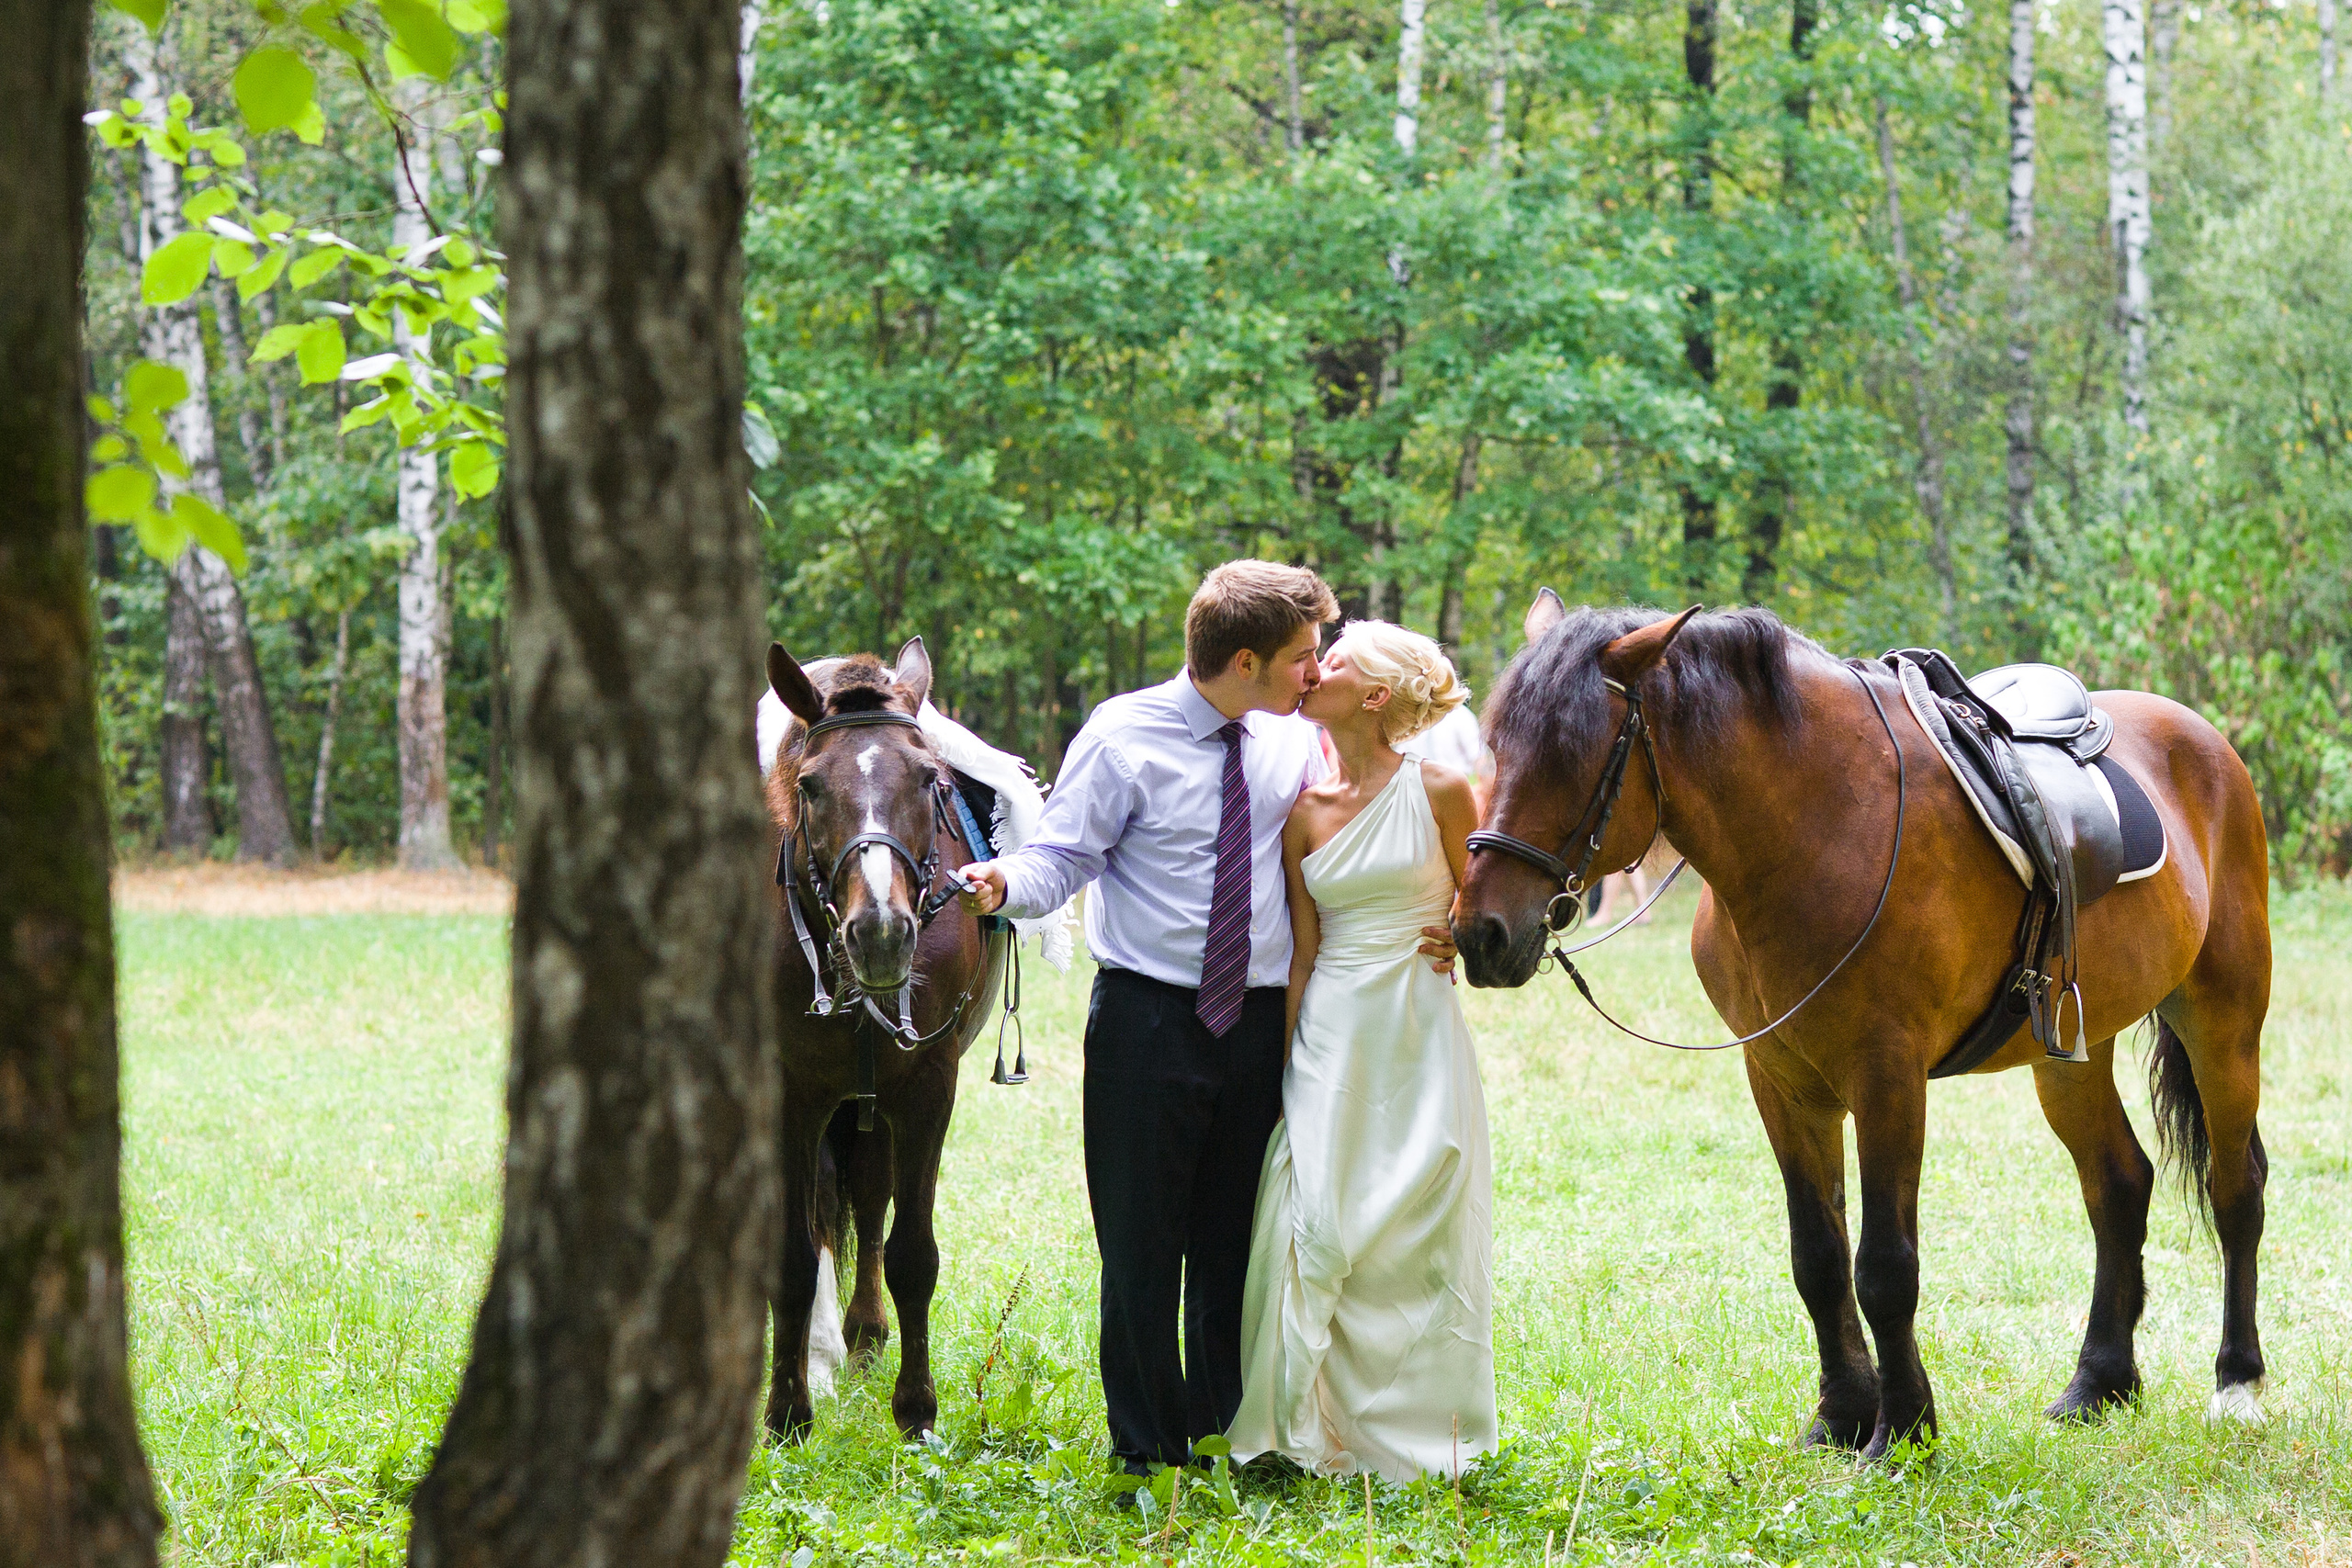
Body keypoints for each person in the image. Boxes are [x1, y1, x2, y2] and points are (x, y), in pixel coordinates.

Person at [956, 563, 1457, 1476]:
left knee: (1238, 1242)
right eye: (1303, 656)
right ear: (1245, 661)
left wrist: (1447, 916)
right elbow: (1061, 856)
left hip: (1262, 1021)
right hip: (1146, 1019)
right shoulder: (1122, 736)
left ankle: (1228, 1431)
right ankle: (1149, 1453)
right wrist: (1002, 882)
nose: (1316, 671)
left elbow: (1384, 809)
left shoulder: (1295, 738)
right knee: (1141, 1246)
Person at [1227, 620, 1496, 1483]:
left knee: (1417, 1224)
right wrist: (1287, 1066)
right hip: (1332, 1032)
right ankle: (1303, 1420)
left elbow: (1481, 906)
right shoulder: (1304, 812)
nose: (1314, 670)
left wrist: (1458, 933)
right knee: (1318, 1219)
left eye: (1333, 662)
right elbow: (1303, 955)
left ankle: (1417, 1435)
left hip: (1416, 1032)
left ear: (1376, 695)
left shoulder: (1444, 789)